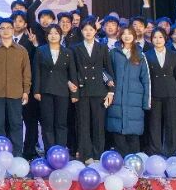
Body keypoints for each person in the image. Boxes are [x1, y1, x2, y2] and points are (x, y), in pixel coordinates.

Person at [0, 22, 31, 153]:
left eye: (9, 28)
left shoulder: (22, 50)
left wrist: (26, 91)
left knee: (16, 123)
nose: (6, 31)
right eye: (2, 28)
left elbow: (26, 73)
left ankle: (17, 153)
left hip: (16, 93)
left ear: (13, 30)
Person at [30, 25, 76, 154]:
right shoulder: (40, 50)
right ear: (47, 36)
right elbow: (36, 72)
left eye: (56, 33)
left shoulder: (67, 52)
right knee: (47, 123)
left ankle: (60, 151)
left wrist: (75, 93)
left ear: (60, 35)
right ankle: (49, 151)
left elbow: (72, 73)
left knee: (61, 123)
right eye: (50, 33)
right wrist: (36, 90)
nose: (53, 35)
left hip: (62, 91)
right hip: (45, 91)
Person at [71, 21, 112, 161]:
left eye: (91, 29)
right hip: (82, 90)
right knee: (83, 124)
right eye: (85, 29)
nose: (88, 32)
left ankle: (98, 155)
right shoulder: (75, 48)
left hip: (99, 90)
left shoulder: (102, 47)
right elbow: (73, 71)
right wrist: (74, 91)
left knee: (98, 124)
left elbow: (108, 69)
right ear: (81, 31)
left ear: (95, 31)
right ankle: (85, 155)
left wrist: (111, 90)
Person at [106, 29, 151, 154]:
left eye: (130, 34)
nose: (127, 36)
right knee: (117, 132)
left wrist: (146, 102)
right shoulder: (113, 53)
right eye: (124, 34)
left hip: (135, 100)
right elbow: (105, 70)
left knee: (134, 134)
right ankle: (121, 162)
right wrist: (109, 83)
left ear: (134, 36)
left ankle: (133, 162)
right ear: (120, 36)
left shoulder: (141, 55)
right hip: (117, 98)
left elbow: (146, 80)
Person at [143, 29, 176, 156]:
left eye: (160, 37)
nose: (158, 40)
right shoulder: (146, 55)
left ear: (165, 38)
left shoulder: (174, 54)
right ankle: (155, 151)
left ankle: (171, 151)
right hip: (154, 93)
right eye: (155, 37)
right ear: (151, 39)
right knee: (154, 123)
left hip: (171, 92)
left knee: (171, 123)